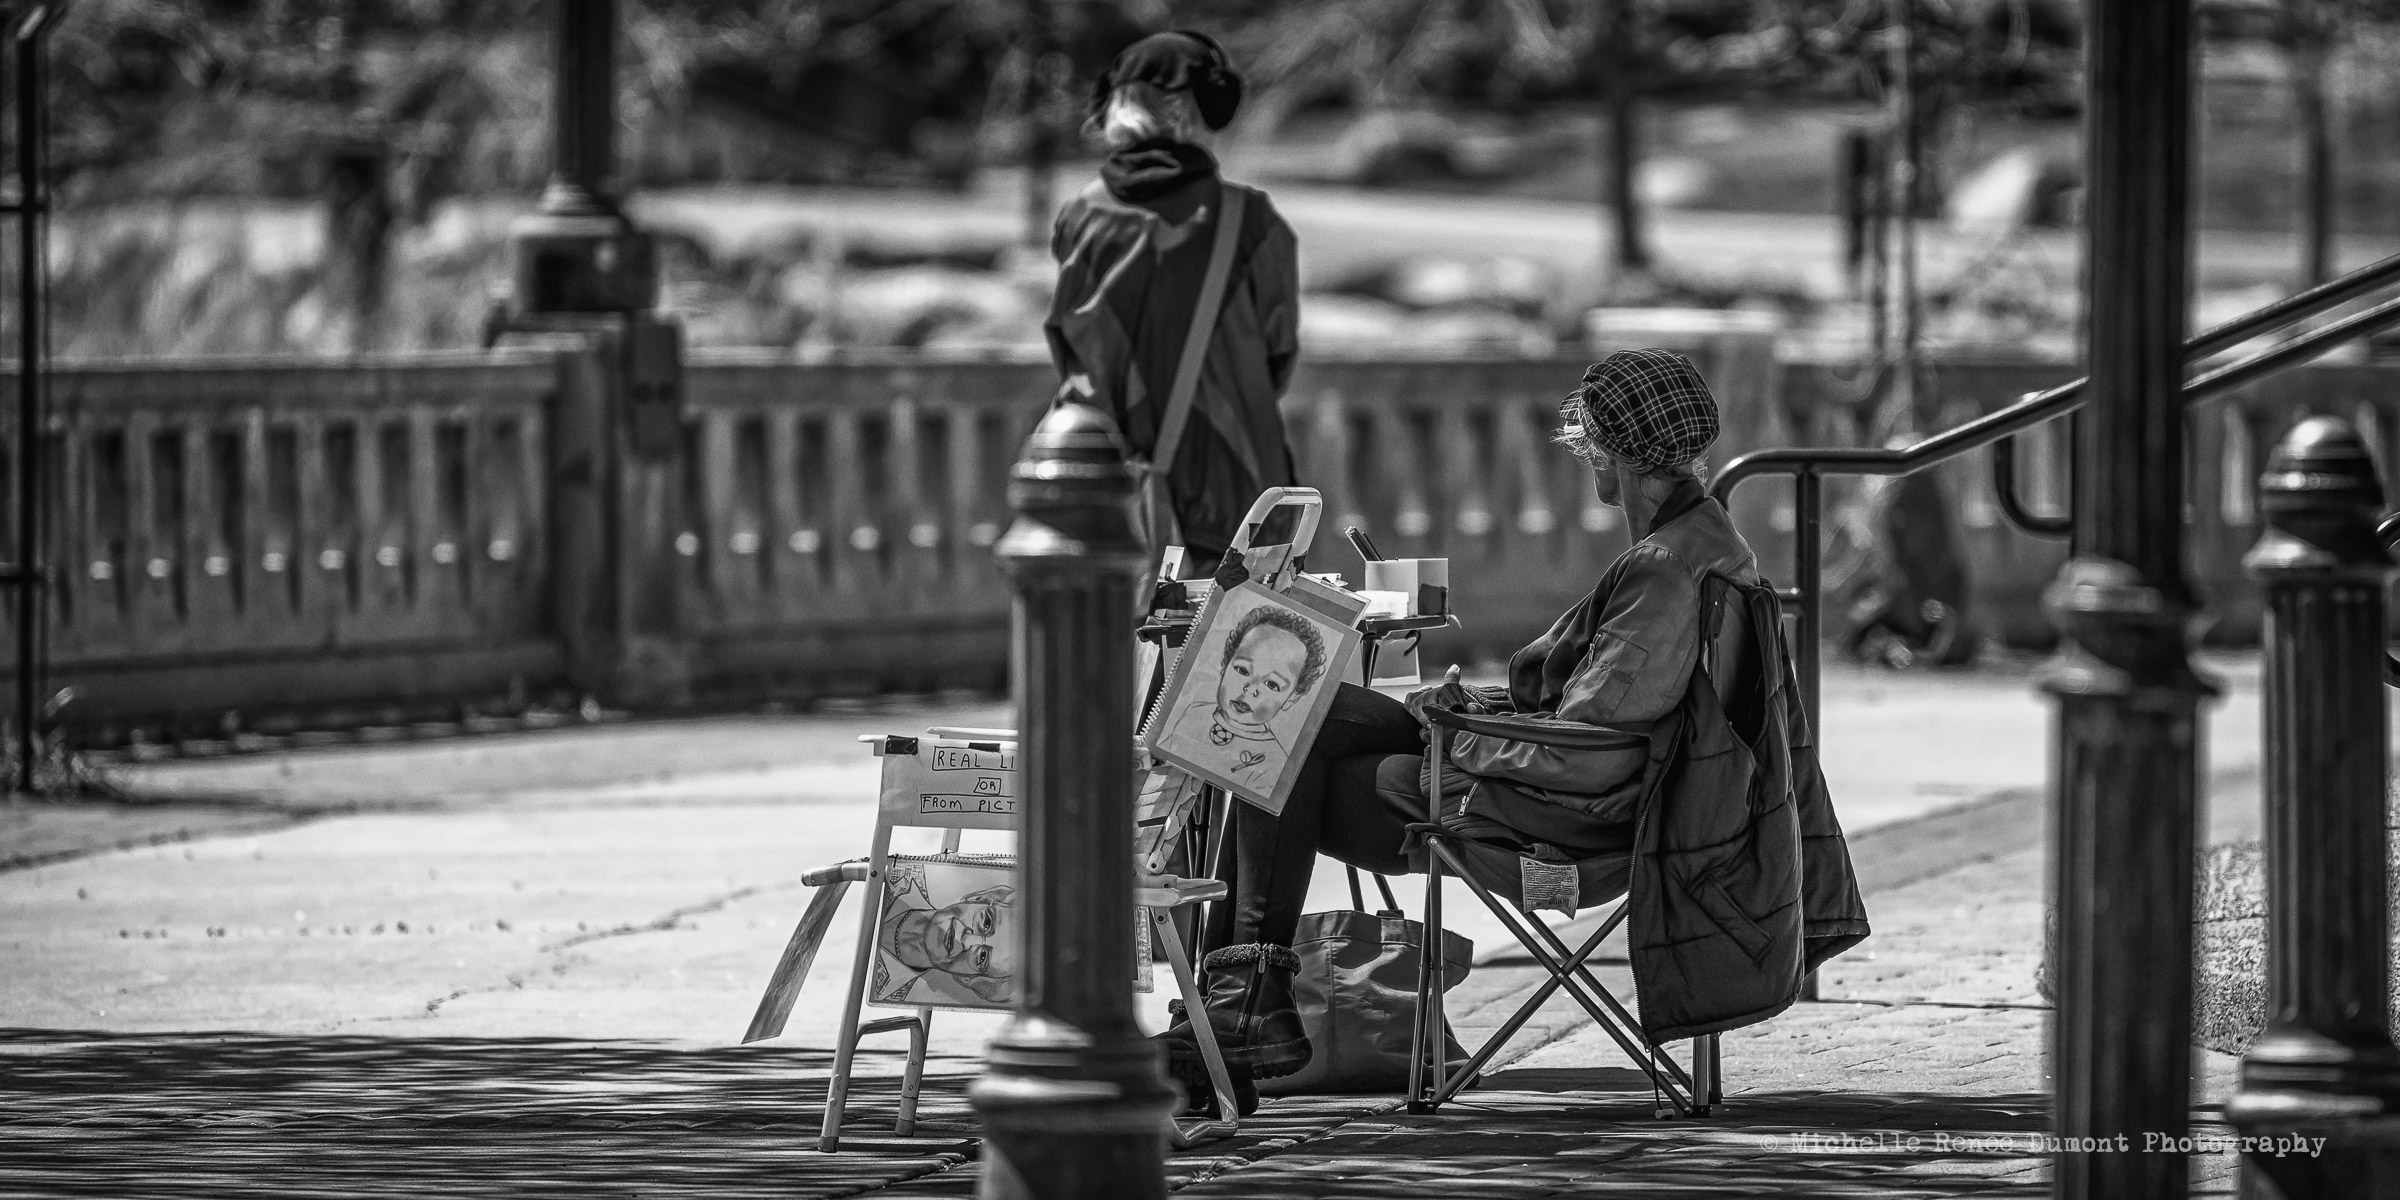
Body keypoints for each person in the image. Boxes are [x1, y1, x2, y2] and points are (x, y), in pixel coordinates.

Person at [1157, 348, 1869, 1113]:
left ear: (1611, 453)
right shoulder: (1709, 540)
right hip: (1578, 784)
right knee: (1291, 722)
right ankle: (1238, 1008)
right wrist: (1462, 712)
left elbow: (1587, 752)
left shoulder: (1665, 568)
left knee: (1278, 752)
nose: (1584, 457)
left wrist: (1455, 730)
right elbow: (1602, 713)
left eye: (1589, 443)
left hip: (1563, 818)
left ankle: (1233, 1012)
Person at [1045, 30, 1301, 575]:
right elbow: (1277, 355)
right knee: (1241, 628)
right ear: (1198, 109)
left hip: (1103, 477)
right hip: (1236, 482)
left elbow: (1071, 344)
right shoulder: (1252, 222)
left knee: (1107, 622)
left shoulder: (1079, 217)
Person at [1168, 601, 1332, 795]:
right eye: (1242, 670)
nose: (1250, 688)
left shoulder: (1274, 762)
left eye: (1271, 684)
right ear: (1225, 665)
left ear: (1291, 698)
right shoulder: (1193, 713)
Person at [874, 871, 1018, 1007]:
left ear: (966, 979)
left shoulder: (888, 990)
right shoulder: (898, 880)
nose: (965, 941)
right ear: (977, 898)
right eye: (987, 923)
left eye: (982, 957)